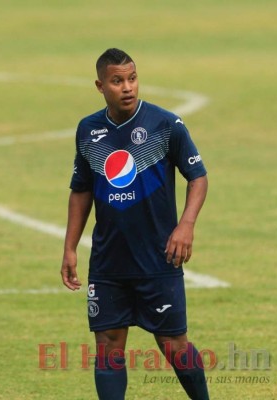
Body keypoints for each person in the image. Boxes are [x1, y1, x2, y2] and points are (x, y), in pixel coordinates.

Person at [60, 48, 210, 399]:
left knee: (174, 344)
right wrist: (69, 246)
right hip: (109, 260)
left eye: (132, 78)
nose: (127, 87)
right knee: (108, 346)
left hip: (158, 257)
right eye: (117, 81)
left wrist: (186, 225)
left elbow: (198, 177)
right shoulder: (89, 130)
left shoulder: (165, 125)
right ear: (100, 86)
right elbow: (80, 191)